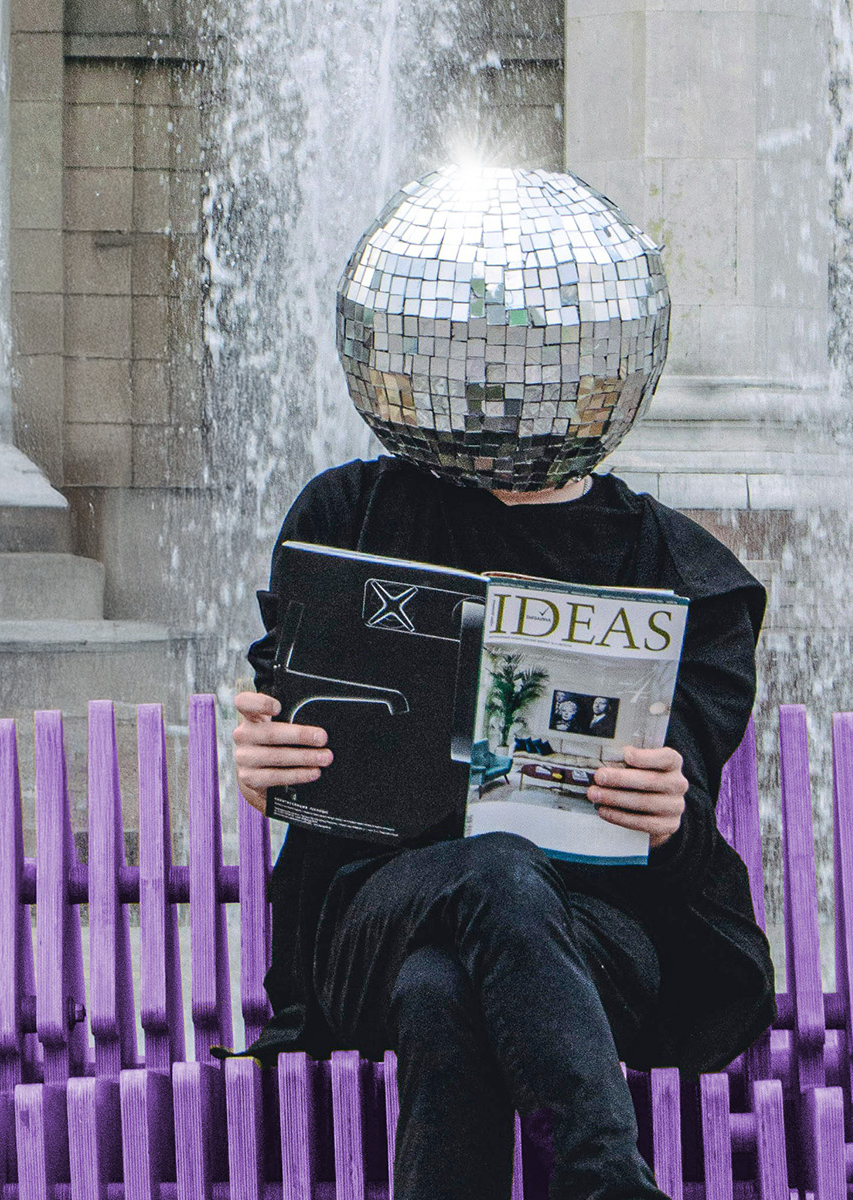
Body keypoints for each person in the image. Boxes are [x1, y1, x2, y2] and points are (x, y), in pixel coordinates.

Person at [227, 166, 774, 1200]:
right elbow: (292, 739)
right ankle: (608, 1182)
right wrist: (264, 763)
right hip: (370, 920)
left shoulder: (689, 576)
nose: (510, 386)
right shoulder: (349, 520)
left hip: (600, 943)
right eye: (487, 359)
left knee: (446, 989)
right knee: (491, 870)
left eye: (541, 359)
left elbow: (684, 821)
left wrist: (669, 815)